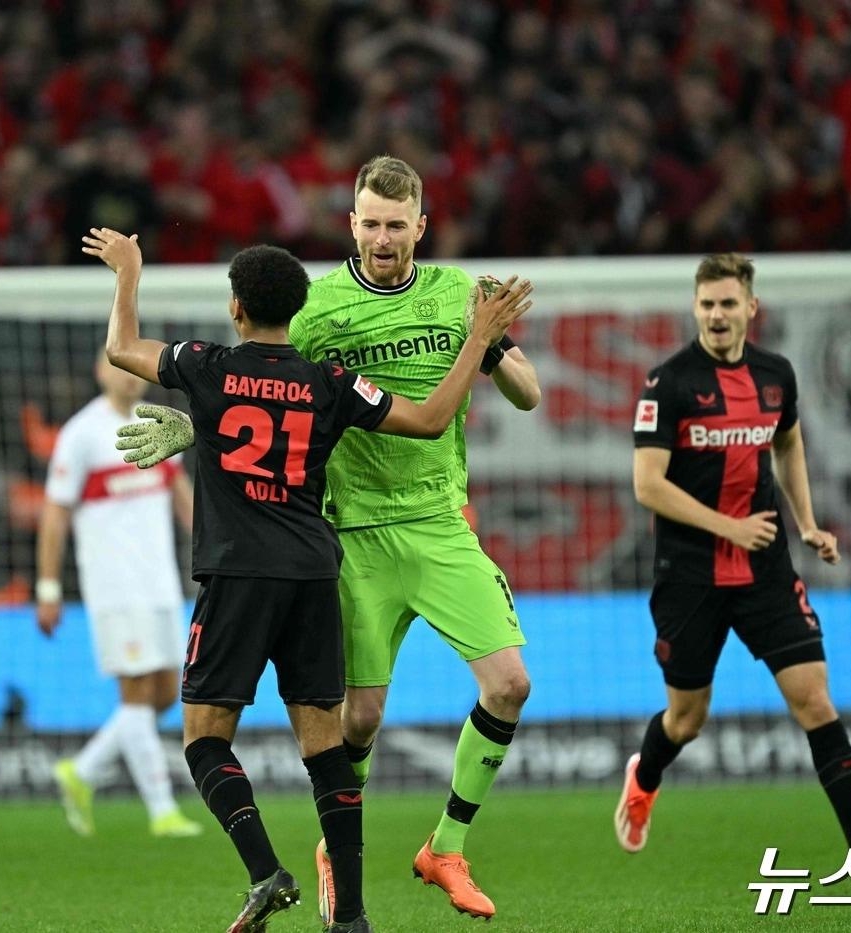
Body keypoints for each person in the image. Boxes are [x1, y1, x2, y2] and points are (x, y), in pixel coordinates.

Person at [116, 155, 542, 921]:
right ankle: (336, 856)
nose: (383, 237)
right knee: (356, 723)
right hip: (351, 533)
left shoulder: (457, 294)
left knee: (510, 683)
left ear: (421, 224)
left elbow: (530, 393)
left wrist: (488, 338)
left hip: (440, 521)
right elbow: (263, 388)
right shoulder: (315, 307)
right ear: (351, 223)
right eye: (370, 223)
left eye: (395, 224)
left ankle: (444, 846)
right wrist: (192, 425)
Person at [619, 253, 851, 890]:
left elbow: (788, 442)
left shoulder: (776, 376)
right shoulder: (668, 383)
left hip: (766, 569)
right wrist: (728, 527)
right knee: (686, 719)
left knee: (814, 699)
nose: (717, 315)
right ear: (695, 308)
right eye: (706, 304)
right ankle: (645, 776)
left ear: (751, 308)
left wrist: (807, 523)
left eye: (728, 303)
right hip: (691, 575)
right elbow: (647, 486)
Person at [36, 350, 202, 839]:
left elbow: (182, 496)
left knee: (166, 692)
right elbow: (54, 513)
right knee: (134, 692)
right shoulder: (81, 433)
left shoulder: (159, 424)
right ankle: (162, 811)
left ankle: (82, 771)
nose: (129, 379)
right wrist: (47, 588)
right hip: (113, 584)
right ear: (100, 371)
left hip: (160, 583)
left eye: (136, 371)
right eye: (119, 368)